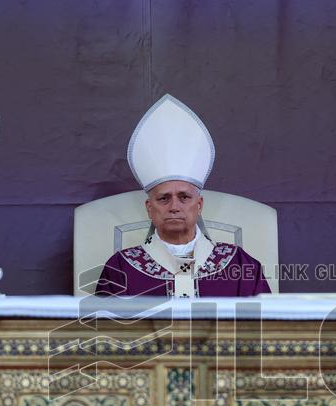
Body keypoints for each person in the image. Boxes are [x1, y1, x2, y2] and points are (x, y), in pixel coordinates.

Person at [95, 95, 270, 298]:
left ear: (199, 205)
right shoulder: (120, 268)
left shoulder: (240, 264)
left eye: (184, 197)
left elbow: (266, 325)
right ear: (149, 208)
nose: (174, 206)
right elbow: (102, 327)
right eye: (164, 198)